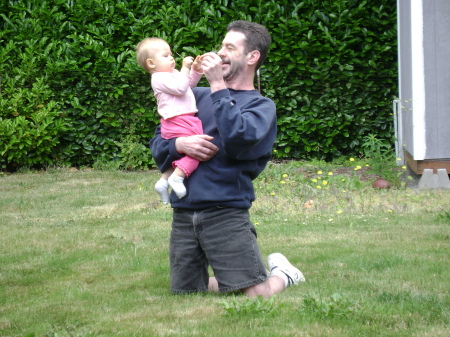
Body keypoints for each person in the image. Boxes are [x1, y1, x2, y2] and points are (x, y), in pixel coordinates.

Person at [149, 21, 305, 298]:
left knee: (257, 293)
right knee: (187, 293)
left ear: (252, 57)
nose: (220, 52)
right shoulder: (194, 96)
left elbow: (238, 140)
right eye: (221, 45)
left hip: (225, 212)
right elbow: (157, 143)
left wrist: (217, 85)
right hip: (185, 211)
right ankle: (234, 276)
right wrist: (179, 144)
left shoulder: (261, 106)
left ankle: (283, 274)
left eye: (229, 48)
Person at [136, 37, 204, 204]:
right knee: (198, 149)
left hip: (183, 119)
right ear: (151, 63)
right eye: (166, 55)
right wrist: (185, 67)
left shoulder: (172, 75)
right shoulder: (158, 78)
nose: (171, 58)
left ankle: (164, 181)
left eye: (171, 54)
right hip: (178, 120)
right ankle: (178, 178)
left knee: (190, 151)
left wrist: (195, 70)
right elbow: (181, 88)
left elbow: (188, 85)